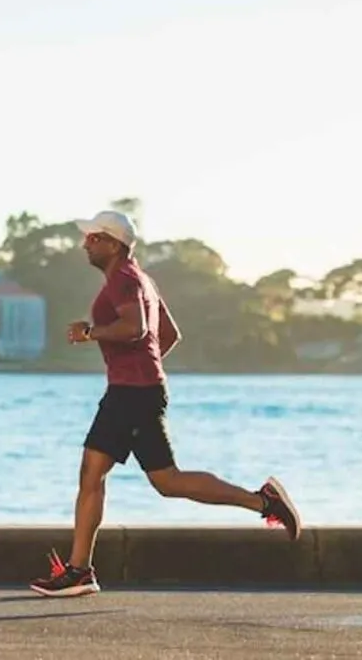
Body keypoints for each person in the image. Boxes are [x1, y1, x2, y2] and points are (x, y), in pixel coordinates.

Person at [29, 210, 301, 598]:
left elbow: (137, 328)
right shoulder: (141, 280)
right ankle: (262, 502)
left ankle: (80, 571)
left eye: (92, 237)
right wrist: (143, 367)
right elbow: (168, 334)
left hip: (131, 394)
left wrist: (92, 333)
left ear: (112, 243)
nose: (85, 243)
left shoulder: (123, 279)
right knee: (141, 479)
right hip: (136, 390)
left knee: (117, 476)